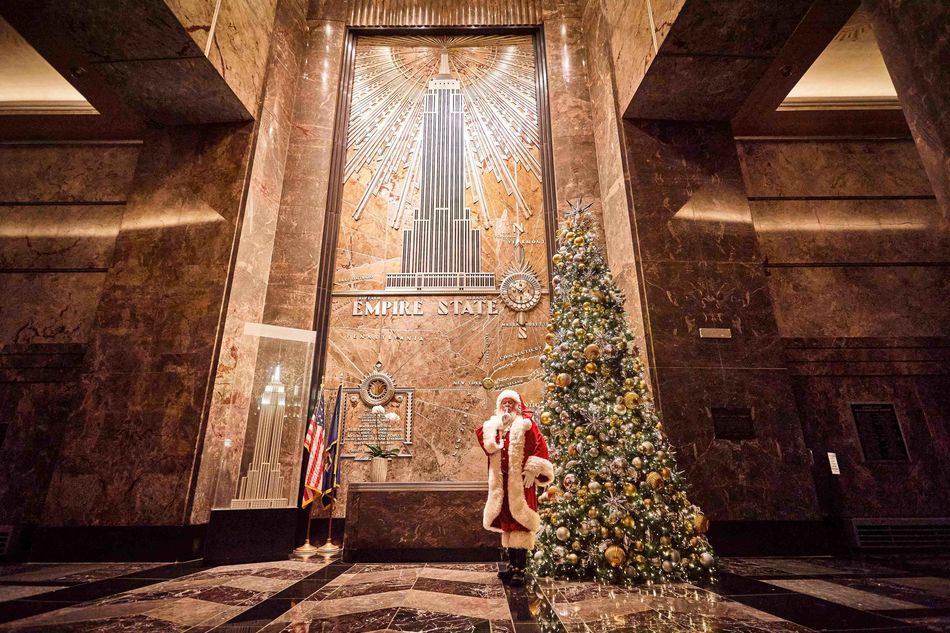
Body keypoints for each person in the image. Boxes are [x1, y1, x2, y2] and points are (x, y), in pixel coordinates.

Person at [476, 389, 554, 586]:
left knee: (521, 523)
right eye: (504, 404)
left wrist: (532, 469)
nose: (508, 407)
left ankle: (521, 569)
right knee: (507, 524)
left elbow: (540, 447)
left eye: (511, 403)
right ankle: (511, 565)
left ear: (518, 406)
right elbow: (487, 445)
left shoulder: (526, 425)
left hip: (520, 483)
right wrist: (496, 428)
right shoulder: (496, 427)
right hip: (501, 485)